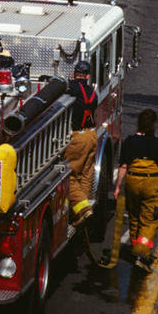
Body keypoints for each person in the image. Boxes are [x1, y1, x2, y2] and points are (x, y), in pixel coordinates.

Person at [114, 109, 158, 271]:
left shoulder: (129, 142)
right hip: (151, 183)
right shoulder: (157, 143)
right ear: (153, 125)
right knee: (150, 219)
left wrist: (118, 186)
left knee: (134, 215)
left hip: (132, 181)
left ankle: (134, 247)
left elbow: (123, 166)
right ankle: (142, 254)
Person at [64, 60, 98, 227]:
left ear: (73, 74)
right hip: (92, 135)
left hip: (77, 138)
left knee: (68, 176)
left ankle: (82, 209)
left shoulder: (70, 89)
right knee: (86, 174)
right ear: (88, 76)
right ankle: (79, 215)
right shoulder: (93, 93)